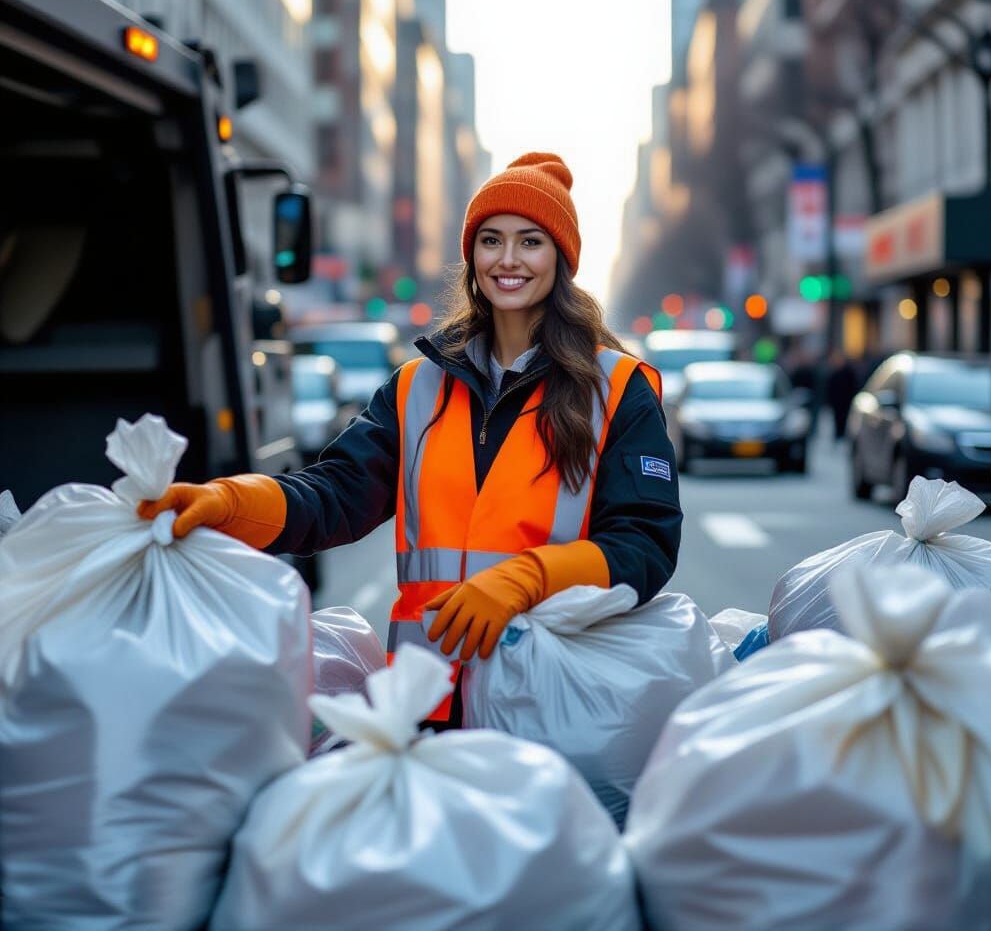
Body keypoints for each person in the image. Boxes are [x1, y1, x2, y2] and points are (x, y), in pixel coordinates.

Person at [139, 152, 683, 725]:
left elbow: (645, 544)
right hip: (428, 704)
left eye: (531, 241)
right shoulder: (417, 387)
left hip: (555, 704)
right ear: (471, 255)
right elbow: (336, 496)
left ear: (561, 258)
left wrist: (528, 579)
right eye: (491, 240)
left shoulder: (616, 389)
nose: (509, 259)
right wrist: (228, 503)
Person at [826, 348, 859, 442]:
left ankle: (843, 435)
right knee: (837, 419)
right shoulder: (834, 373)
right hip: (837, 402)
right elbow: (830, 388)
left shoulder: (848, 372)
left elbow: (853, 386)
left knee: (845, 419)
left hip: (846, 401)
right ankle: (838, 435)